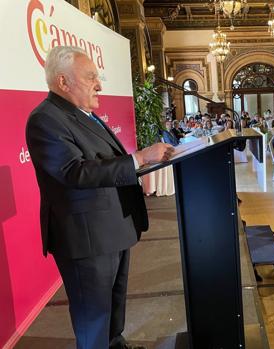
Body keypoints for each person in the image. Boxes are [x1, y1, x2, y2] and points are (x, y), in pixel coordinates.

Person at [25, 46, 173, 349]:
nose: (99, 85)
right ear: (63, 82)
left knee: (113, 309)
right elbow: (74, 172)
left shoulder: (82, 114)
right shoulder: (45, 119)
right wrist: (138, 159)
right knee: (93, 317)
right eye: (91, 77)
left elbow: (103, 163)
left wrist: (141, 162)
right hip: (86, 239)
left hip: (111, 229)